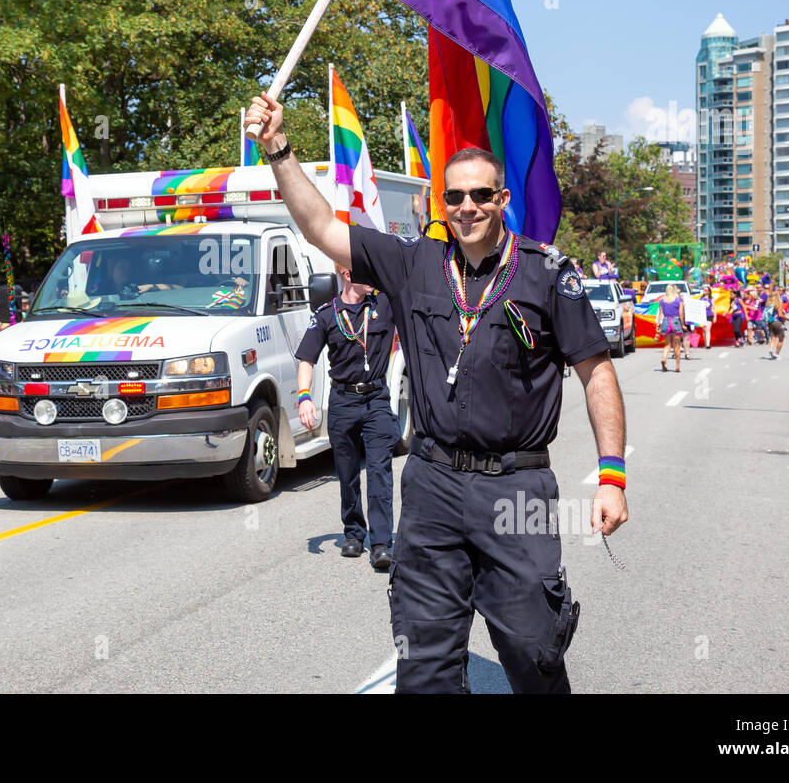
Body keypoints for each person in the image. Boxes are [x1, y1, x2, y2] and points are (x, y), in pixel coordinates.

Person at [245, 92, 627, 694]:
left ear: (502, 200)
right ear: (439, 202)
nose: (467, 206)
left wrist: (611, 475)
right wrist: (278, 150)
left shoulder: (549, 273)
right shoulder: (413, 262)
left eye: (481, 194)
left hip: (515, 489)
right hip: (431, 487)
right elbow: (320, 226)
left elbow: (596, 372)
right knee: (424, 665)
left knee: (533, 653)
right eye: (455, 195)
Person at [294, 264, 398, 568]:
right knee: (348, 471)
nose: (375, 279)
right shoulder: (326, 315)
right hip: (342, 400)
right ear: (348, 275)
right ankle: (354, 533)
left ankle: (381, 543)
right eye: (368, 272)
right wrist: (304, 398)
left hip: (376, 398)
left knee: (379, 470)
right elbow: (306, 360)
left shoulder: (384, 304)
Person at [658, 284, 685, 372]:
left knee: (667, 345)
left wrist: (658, 324)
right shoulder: (679, 300)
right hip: (676, 321)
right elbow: (681, 313)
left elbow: (660, 313)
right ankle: (677, 366)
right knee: (677, 346)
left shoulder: (662, 300)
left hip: (665, 321)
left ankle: (664, 359)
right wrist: (683, 324)